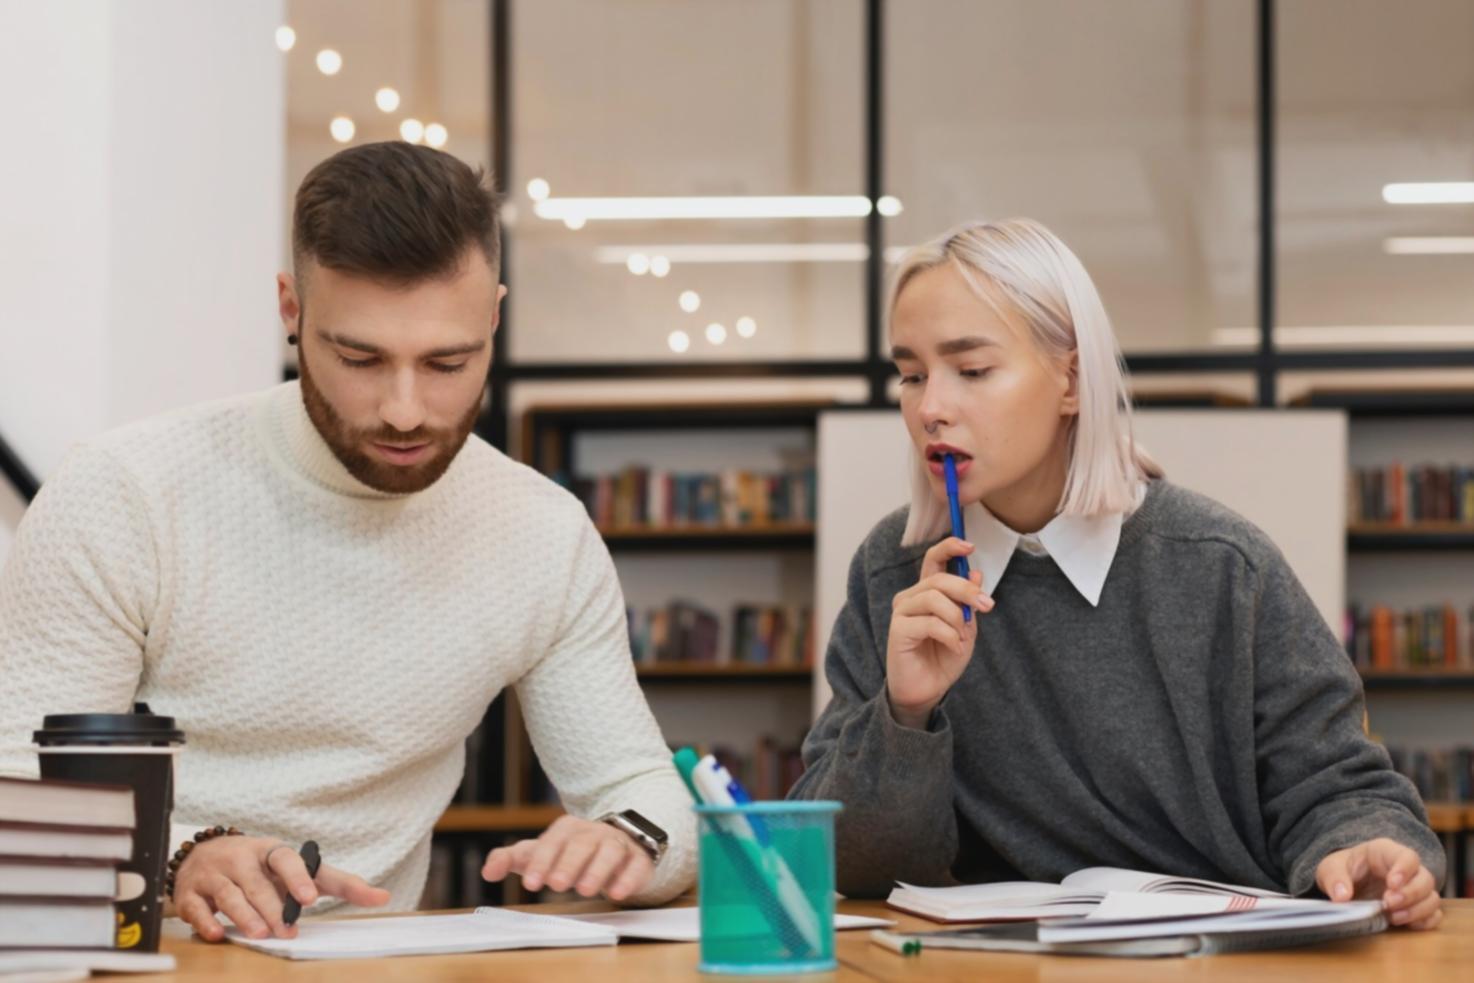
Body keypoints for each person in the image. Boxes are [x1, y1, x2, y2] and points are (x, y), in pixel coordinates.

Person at [0, 142, 694, 942]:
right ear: (291, 309)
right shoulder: (126, 493)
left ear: (495, 316)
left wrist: (632, 839)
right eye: (360, 357)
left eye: (448, 361)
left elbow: (646, 784)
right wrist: (178, 859)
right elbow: (24, 798)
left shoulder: (541, 531)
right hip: (146, 958)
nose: (405, 409)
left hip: (374, 961)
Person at [788, 217, 1445, 930]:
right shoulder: (894, 573)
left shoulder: (1222, 564)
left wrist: (1366, 848)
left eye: (972, 370)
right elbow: (849, 865)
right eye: (911, 375)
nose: (931, 408)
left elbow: (1341, 786)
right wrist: (905, 714)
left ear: (1071, 378)